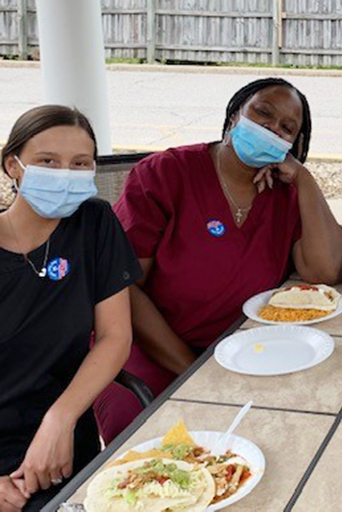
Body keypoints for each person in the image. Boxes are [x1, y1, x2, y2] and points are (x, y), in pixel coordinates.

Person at [94, 77, 342, 444]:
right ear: (233, 118)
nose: (271, 128)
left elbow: (325, 271)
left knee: (283, 434)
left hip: (242, 350)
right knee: (148, 450)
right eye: (262, 113)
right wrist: (192, 368)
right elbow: (122, 287)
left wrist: (305, 180)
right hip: (146, 349)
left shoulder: (284, 195)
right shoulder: (165, 174)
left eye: (286, 128)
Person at [0, 106, 139, 511]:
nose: (65, 174)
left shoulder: (94, 222)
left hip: (69, 450)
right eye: (47, 161)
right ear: (13, 165)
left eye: (80, 164)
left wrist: (59, 419)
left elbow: (115, 336)